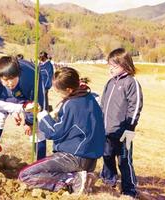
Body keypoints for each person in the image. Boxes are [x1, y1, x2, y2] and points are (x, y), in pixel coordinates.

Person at [19, 67, 105, 195]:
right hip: (90, 158)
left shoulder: (72, 104)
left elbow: (53, 132)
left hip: (74, 156)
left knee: (25, 175)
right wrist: (56, 115)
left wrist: (41, 115)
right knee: (46, 170)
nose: (57, 94)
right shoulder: (89, 97)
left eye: (58, 91)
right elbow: (76, 123)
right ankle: (83, 176)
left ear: (69, 90)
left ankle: (74, 180)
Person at [0, 56, 47, 160]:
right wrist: (13, 111)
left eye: (13, 78)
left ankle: (41, 161)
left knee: (36, 127)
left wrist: (29, 122)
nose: (10, 83)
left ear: (18, 75)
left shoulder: (31, 78)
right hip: (5, 98)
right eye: (6, 80)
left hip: (28, 95)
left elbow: (37, 104)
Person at [100, 48, 143, 198]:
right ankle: (109, 180)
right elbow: (103, 104)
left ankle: (129, 189)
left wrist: (129, 128)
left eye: (115, 65)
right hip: (107, 130)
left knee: (124, 160)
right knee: (107, 155)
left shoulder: (131, 83)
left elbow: (135, 106)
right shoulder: (110, 83)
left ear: (125, 65)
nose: (111, 68)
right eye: (109, 65)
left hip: (124, 131)